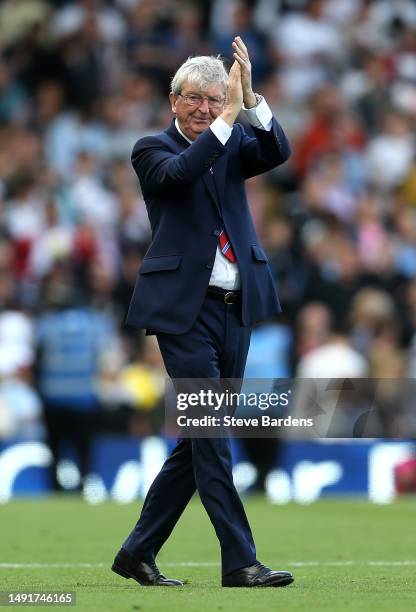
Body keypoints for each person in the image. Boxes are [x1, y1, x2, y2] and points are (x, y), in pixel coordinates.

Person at [111, 37, 294, 588]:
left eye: (216, 101)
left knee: (200, 437)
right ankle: (240, 561)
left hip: (236, 306)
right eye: (195, 99)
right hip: (183, 313)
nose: (207, 109)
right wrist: (229, 120)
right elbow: (180, 175)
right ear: (173, 100)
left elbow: (277, 151)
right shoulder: (152, 148)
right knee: (211, 431)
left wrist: (252, 97)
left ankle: (136, 552)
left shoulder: (234, 137)